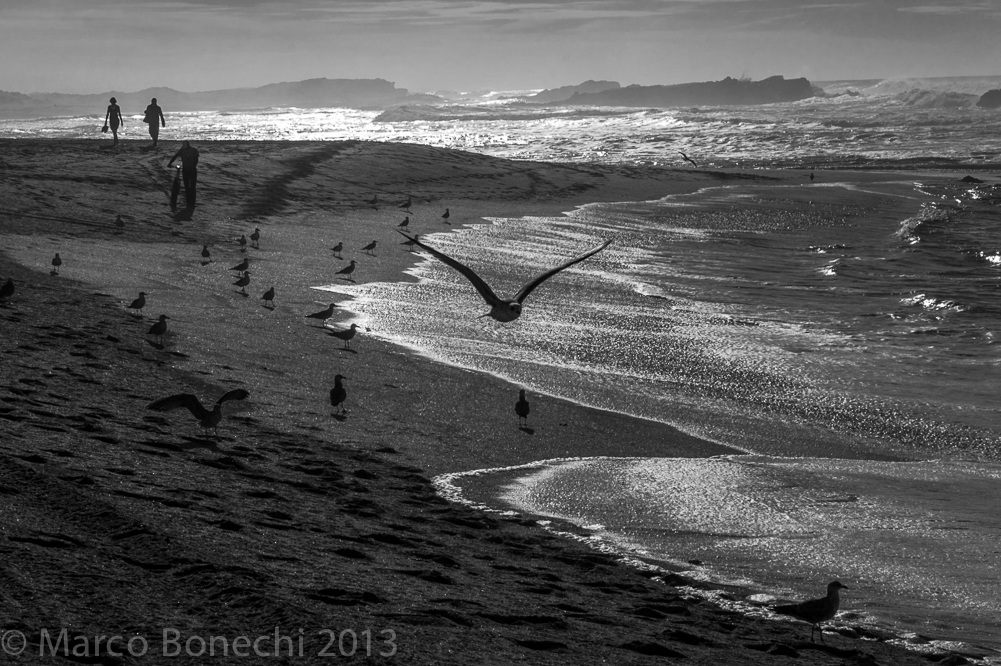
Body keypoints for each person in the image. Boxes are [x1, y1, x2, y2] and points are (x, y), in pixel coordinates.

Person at [168, 141, 200, 210]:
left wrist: (169, 164)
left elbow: (196, 160)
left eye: (183, 145)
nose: (182, 146)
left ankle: (191, 202)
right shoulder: (190, 150)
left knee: (190, 186)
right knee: (189, 186)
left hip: (190, 170)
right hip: (188, 170)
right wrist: (169, 163)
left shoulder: (188, 150)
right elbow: (196, 161)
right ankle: (190, 202)